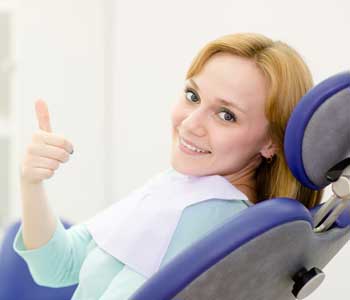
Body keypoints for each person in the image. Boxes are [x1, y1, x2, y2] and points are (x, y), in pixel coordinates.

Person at [13, 32, 324, 299]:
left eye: (226, 115)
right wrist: (31, 180)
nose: (190, 124)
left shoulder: (207, 217)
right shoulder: (184, 188)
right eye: (192, 95)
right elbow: (57, 265)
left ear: (270, 142)